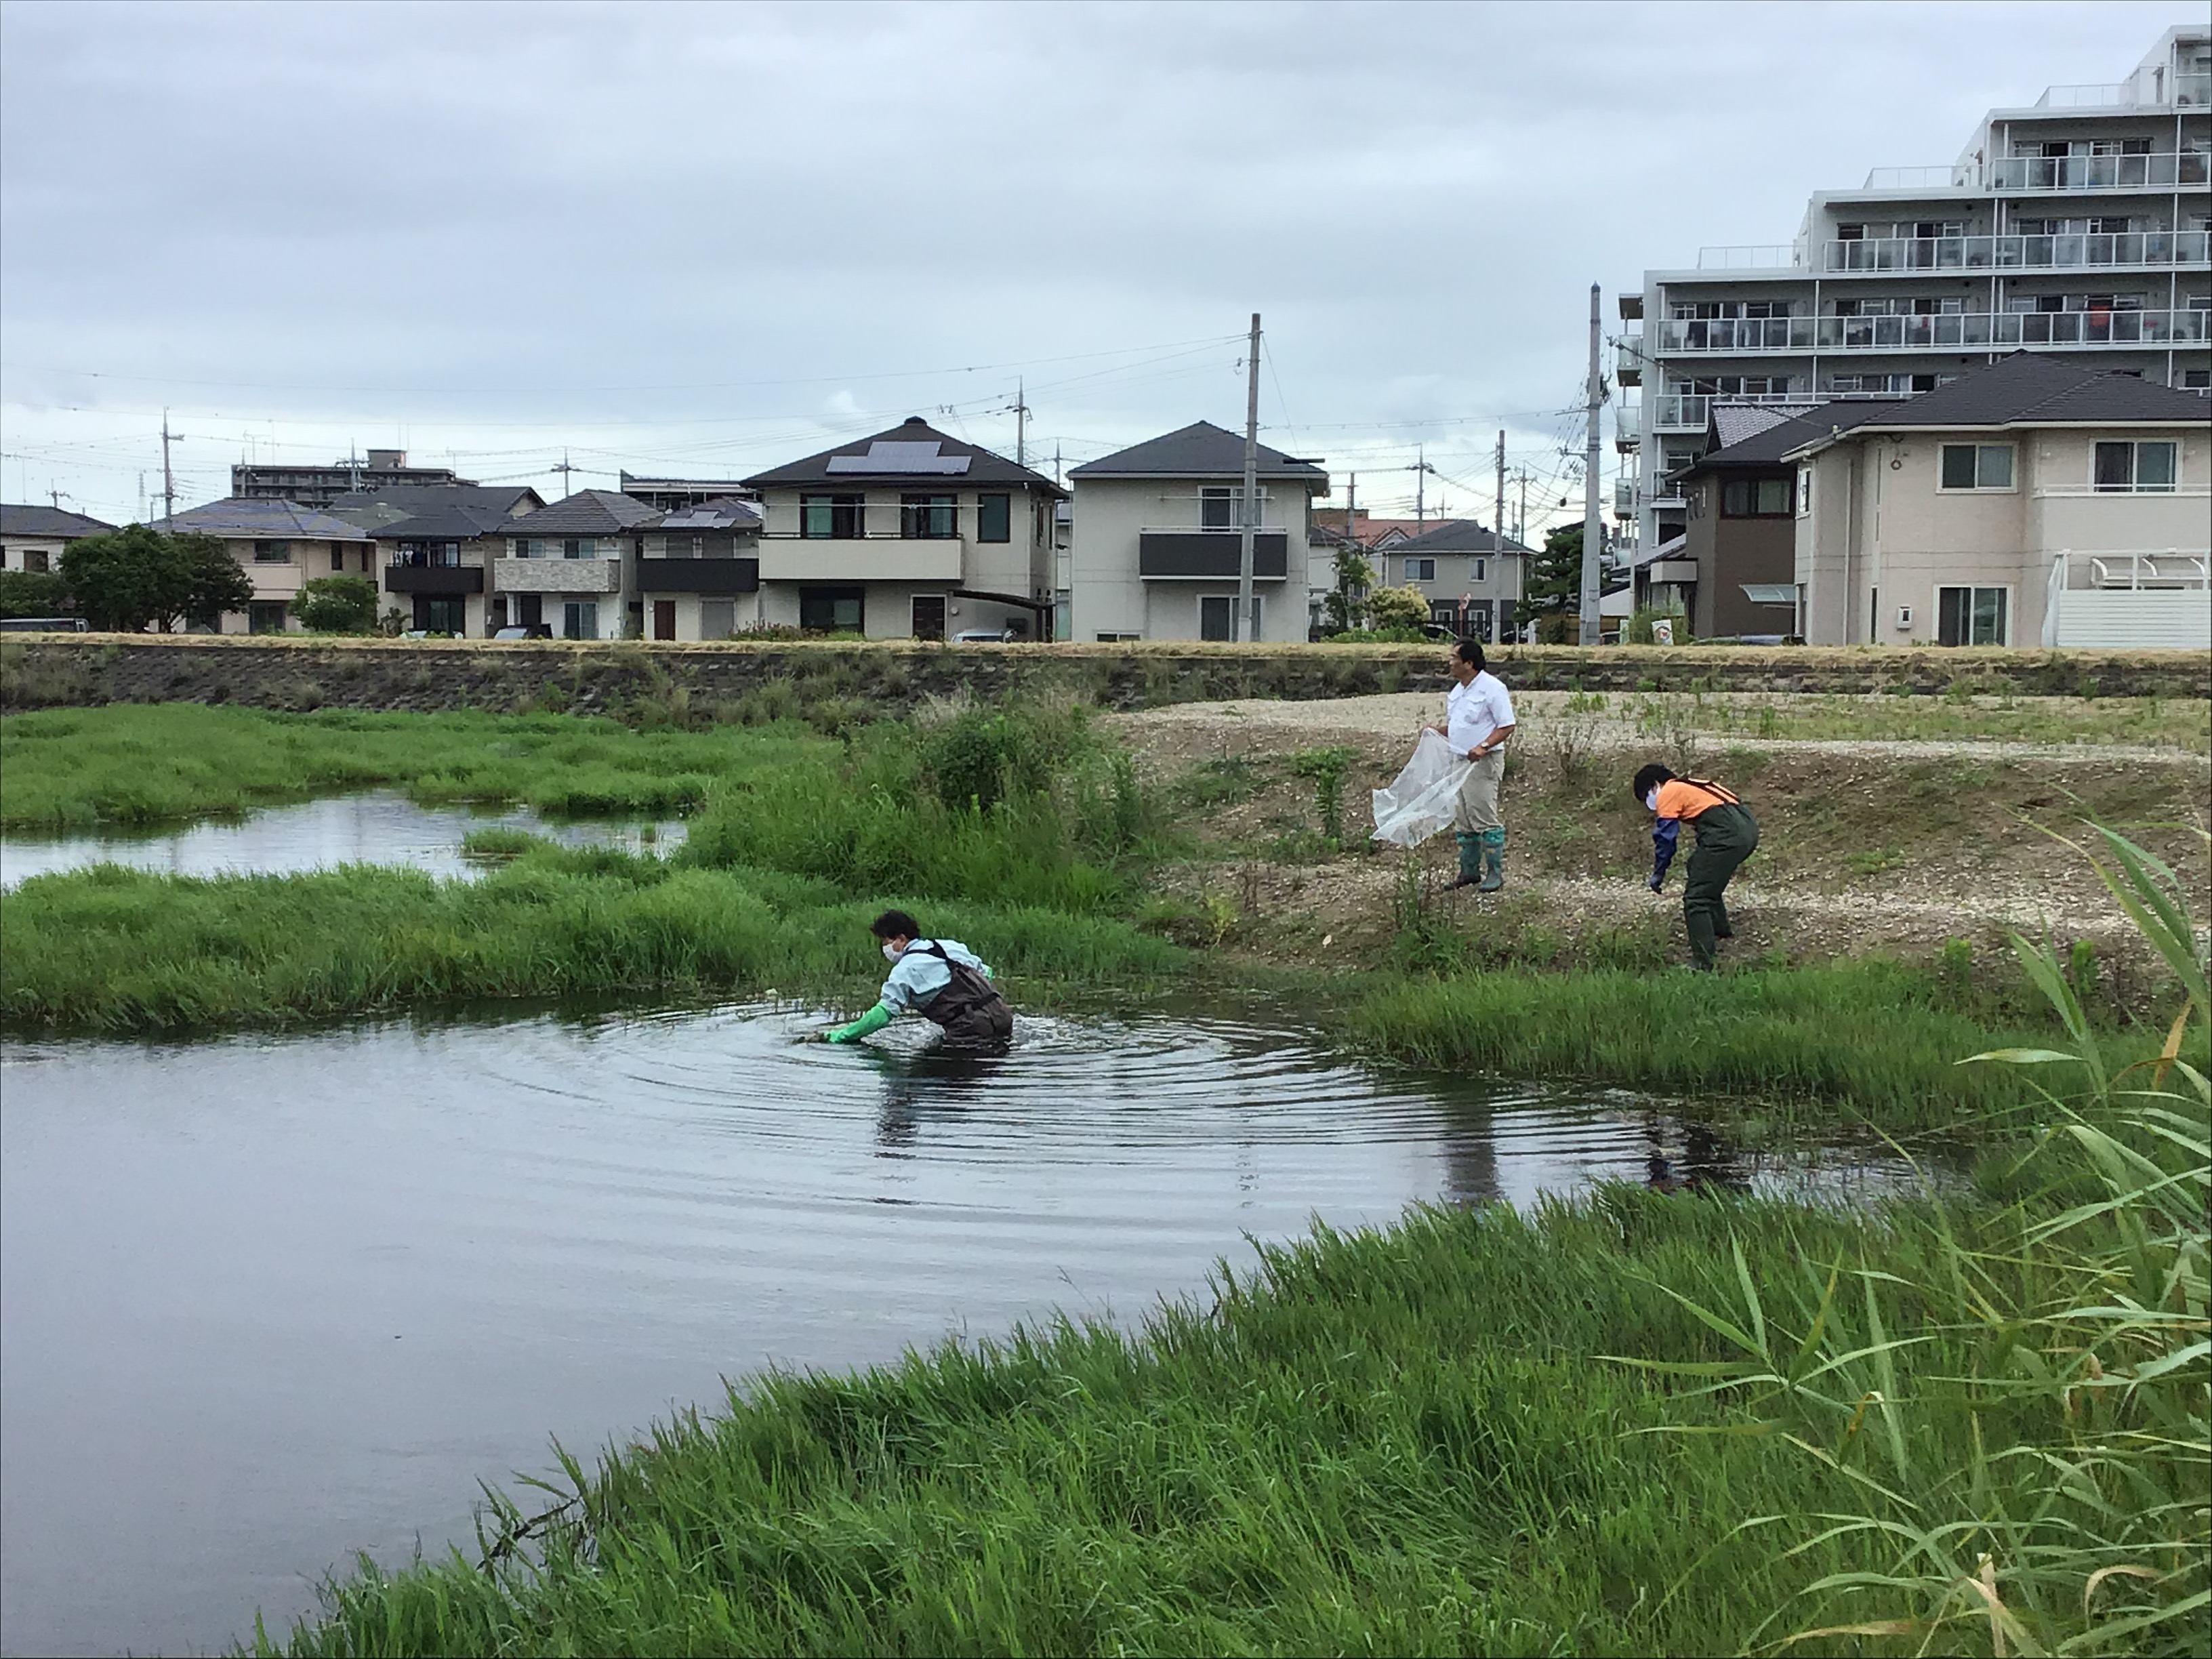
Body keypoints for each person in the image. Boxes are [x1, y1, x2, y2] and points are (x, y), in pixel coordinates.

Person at [823, 909, 1015, 1051]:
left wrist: (842, 1036)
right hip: (1003, 1015)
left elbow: (882, 1015)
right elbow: (986, 972)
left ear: (901, 939)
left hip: (970, 1030)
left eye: (885, 942)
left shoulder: (904, 970)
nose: (884, 948)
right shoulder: (950, 946)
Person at [1633, 764, 1759, 970]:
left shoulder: (1668, 792)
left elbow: (1666, 840)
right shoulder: (1696, 785)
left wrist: (1658, 873)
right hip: (1748, 829)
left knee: (1696, 898)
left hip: (1727, 835)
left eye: (1646, 796)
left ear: (1655, 785)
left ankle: (1703, 961)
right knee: (1698, 868)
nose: (1650, 803)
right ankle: (1720, 929)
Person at [1425, 637, 1516, 890]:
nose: (1449, 662)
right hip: (1458, 760)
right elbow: (1460, 726)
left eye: (1454, 658)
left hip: (1483, 762)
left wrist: (1483, 746)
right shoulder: (1457, 691)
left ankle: (1495, 874)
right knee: (1463, 818)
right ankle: (1469, 871)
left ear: (1469, 662)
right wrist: (1437, 731)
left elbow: (1507, 725)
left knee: (1483, 815)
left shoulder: (1492, 688)